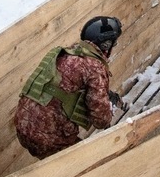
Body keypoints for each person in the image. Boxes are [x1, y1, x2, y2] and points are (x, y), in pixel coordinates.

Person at [14, 15, 126, 159]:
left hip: (23, 127)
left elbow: (66, 89)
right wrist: (109, 107)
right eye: (112, 44)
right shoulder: (94, 67)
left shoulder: (69, 52)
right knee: (88, 165)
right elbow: (101, 120)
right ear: (105, 44)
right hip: (48, 138)